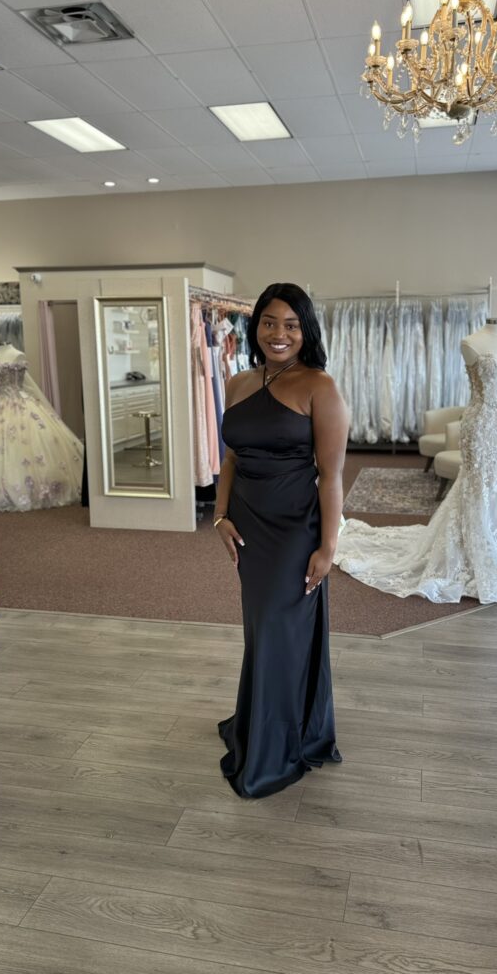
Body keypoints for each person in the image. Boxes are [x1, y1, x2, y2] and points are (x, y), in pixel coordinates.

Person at [214, 283, 348, 798]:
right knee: (261, 631)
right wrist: (220, 515)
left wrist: (328, 548)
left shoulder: (321, 387)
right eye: (269, 322)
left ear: (305, 331)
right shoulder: (238, 383)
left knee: (278, 630)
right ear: (256, 327)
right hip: (247, 526)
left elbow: (331, 477)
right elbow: (231, 458)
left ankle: (275, 748)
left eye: (291, 325)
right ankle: (262, 723)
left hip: (295, 529)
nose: (279, 334)